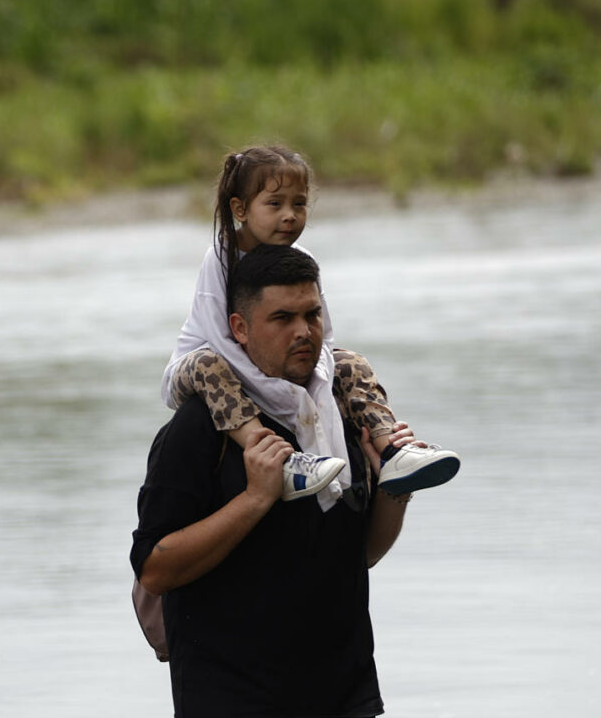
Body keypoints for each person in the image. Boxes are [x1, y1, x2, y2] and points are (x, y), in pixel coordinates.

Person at [131, 244, 420, 718]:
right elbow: (157, 565)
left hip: (337, 683)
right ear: (239, 326)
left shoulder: (336, 416)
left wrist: (393, 490)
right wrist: (257, 497)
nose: (304, 331)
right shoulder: (202, 431)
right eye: (283, 317)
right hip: (229, 693)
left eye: (314, 313)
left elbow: (357, 554)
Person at [164, 144, 460, 503]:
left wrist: (314, 386)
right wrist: (279, 393)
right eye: (275, 205)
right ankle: (279, 460)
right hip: (204, 368)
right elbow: (219, 339)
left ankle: (391, 451)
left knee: (348, 361)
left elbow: (325, 335)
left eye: (299, 204)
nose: (289, 216)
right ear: (240, 209)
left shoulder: (302, 259)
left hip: (265, 362)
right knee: (209, 364)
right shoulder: (221, 258)